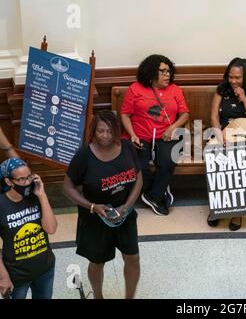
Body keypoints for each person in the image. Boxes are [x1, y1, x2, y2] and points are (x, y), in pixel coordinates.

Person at [63, 110, 143, 299]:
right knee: (97, 262)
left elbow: (138, 179)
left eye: (109, 131)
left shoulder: (127, 148)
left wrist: (126, 207)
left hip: (124, 214)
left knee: (133, 257)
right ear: (94, 131)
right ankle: (98, 297)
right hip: (95, 218)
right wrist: (92, 206)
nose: (105, 136)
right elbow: (67, 188)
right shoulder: (84, 154)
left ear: (116, 131)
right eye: (100, 131)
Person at [120, 54, 190, 216]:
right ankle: (161, 192)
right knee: (140, 166)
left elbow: (185, 114)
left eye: (169, 71)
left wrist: (173, 128)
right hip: (140, 136)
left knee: (168, 159)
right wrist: (132, 135)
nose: (168, 75)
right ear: (151, 72)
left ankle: (153, 196)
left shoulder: (175, 89)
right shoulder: (135, 89)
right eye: (163, 71)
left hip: (166, 136)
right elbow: (125, 115)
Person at [207, 57, 246, 231]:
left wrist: (245, 99)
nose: (233, 81)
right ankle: (217, 208)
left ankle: (237, 211)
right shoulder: (221, 90)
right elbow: (214, 117)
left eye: (237, 78)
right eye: (230, 77)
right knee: (215, 156)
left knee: (240, 157)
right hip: (223, 134)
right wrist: (219, 137)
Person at [0, 158, 57, 299]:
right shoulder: (1, 205)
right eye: (21, 179)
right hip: (17, 274)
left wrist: (42, 195)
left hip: (45, 268)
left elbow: (51, 229)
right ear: (8, 182)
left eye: (29, 177)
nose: (27, 182)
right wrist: (3, 276)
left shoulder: (36, 196)